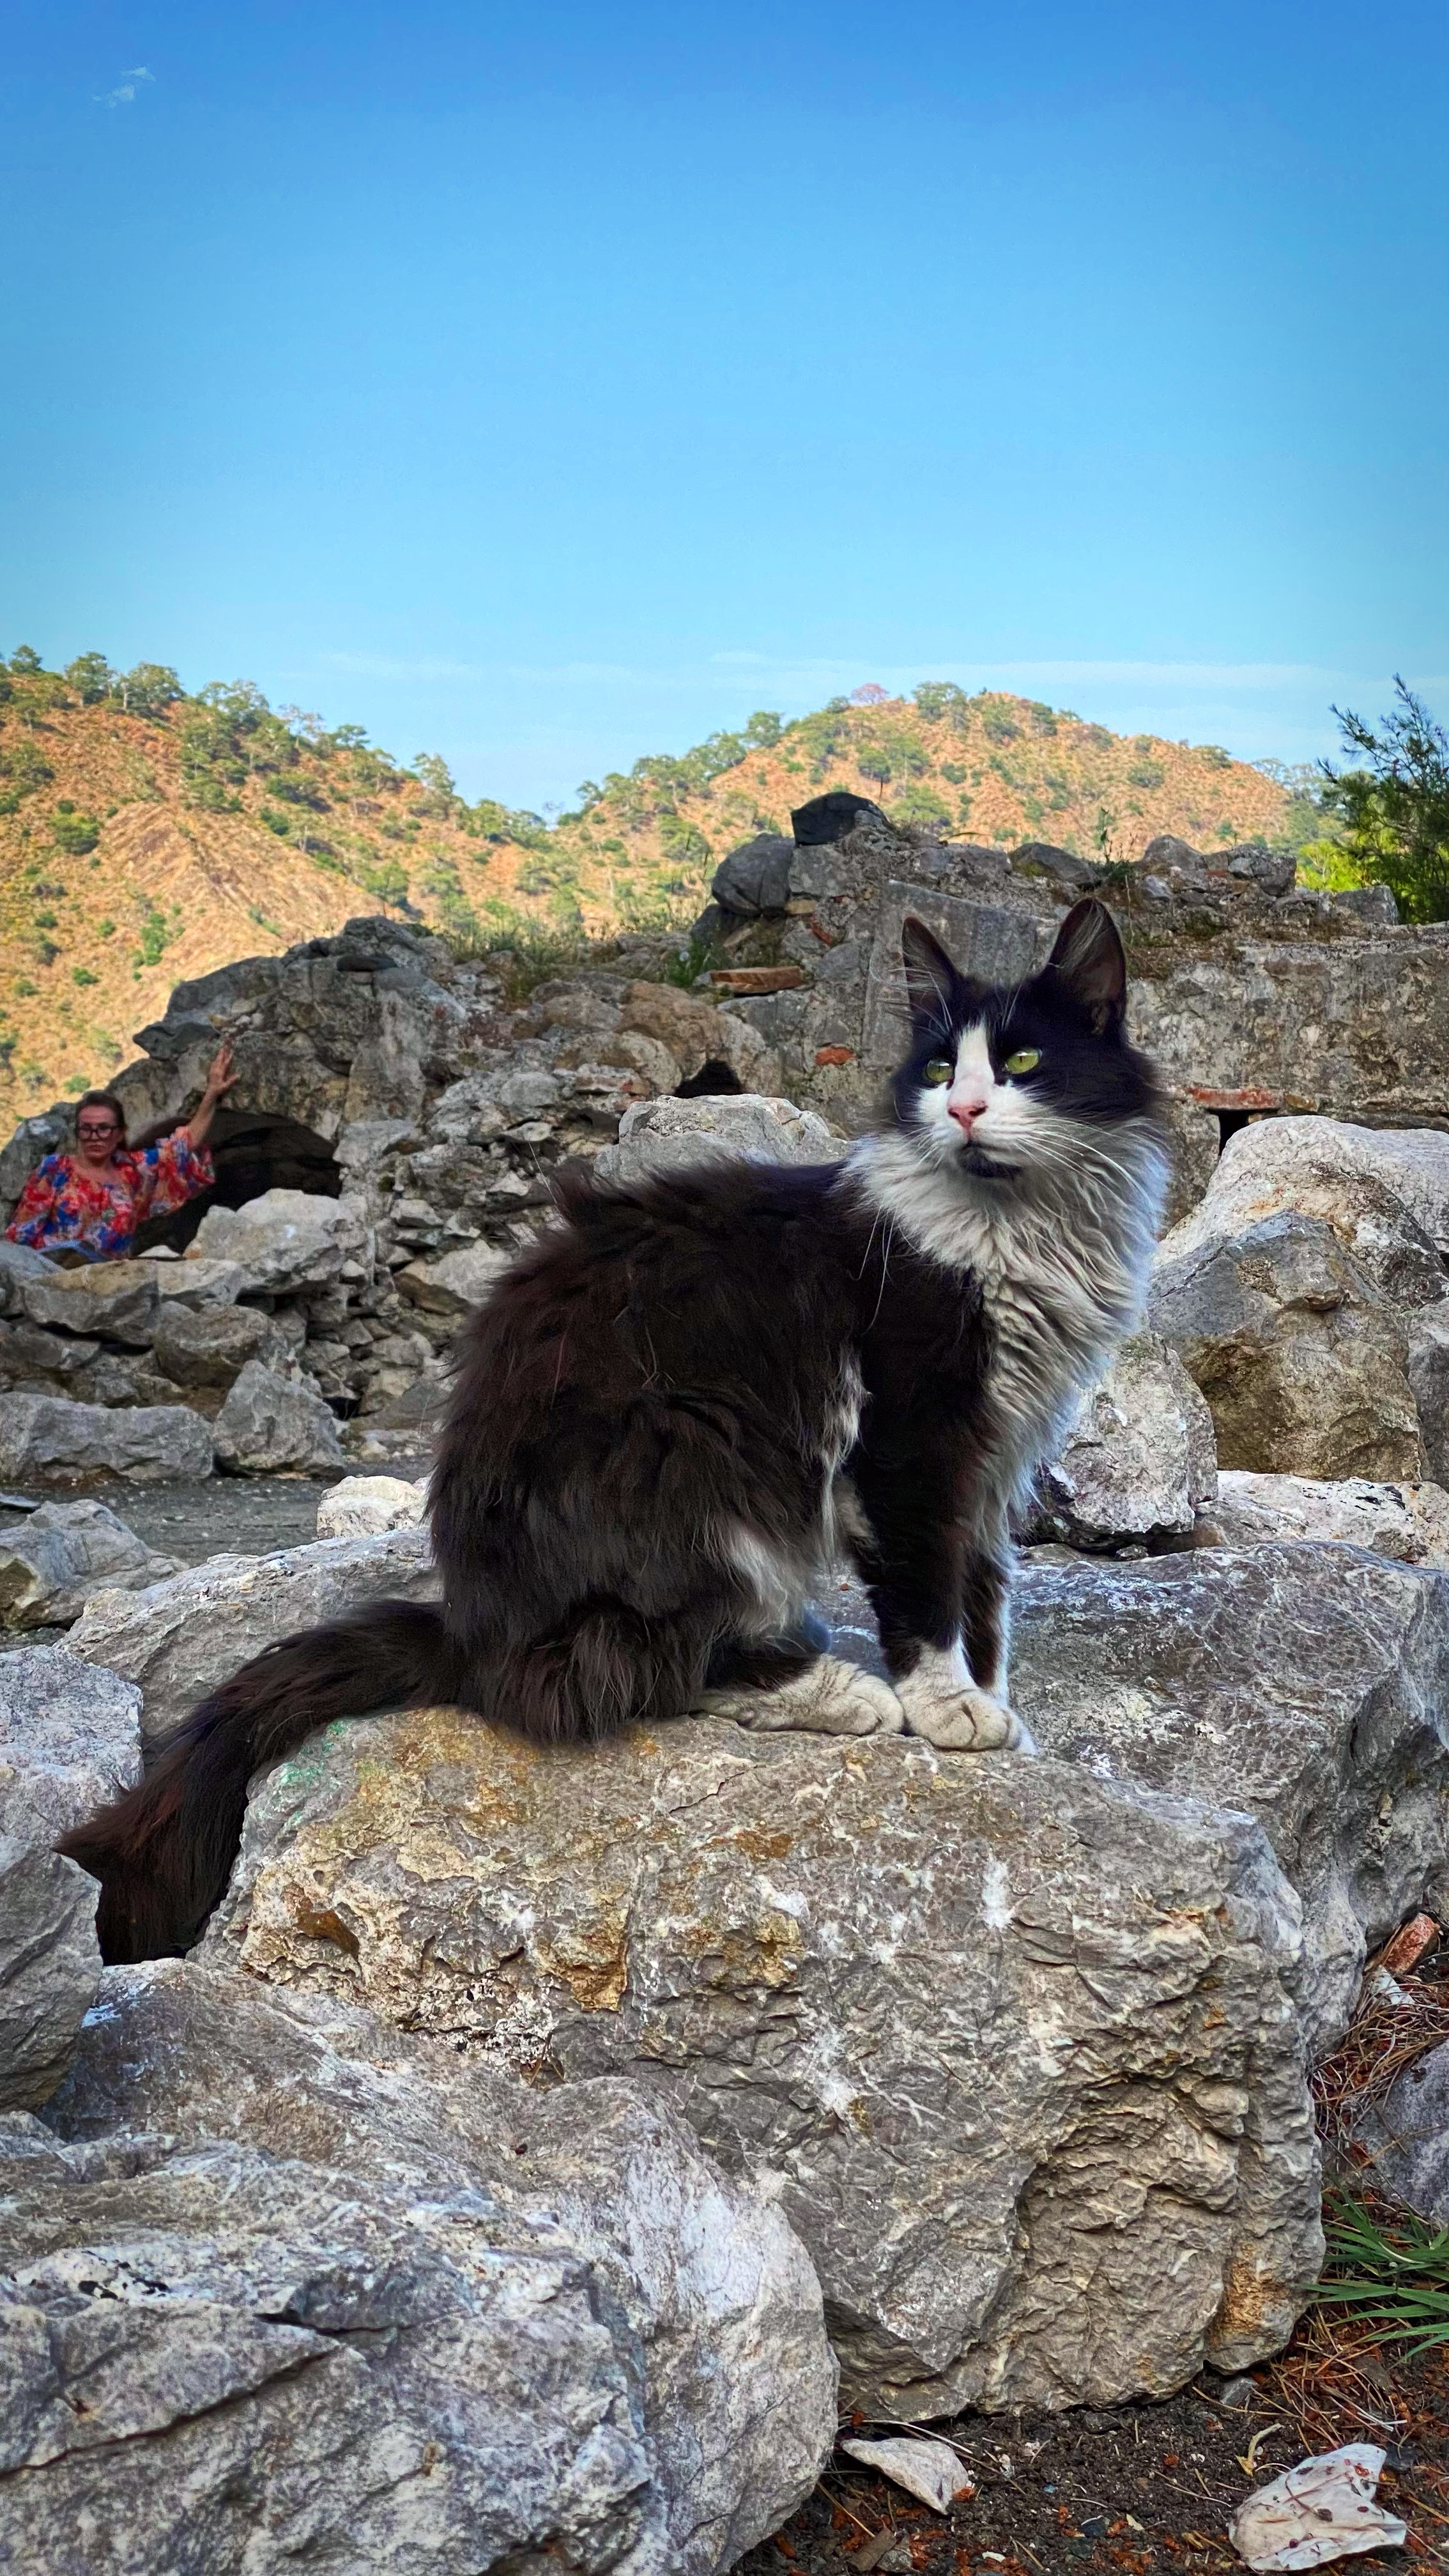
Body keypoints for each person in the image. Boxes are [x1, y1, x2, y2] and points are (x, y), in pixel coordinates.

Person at [4, 1041, 240, 1261]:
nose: (94, 1136)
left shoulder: (132, 1172)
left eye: (104, 1129)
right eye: (86, 1129)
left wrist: (211, 1093)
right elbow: (22, 1235)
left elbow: (183, 1146)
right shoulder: (55, 1170)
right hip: (54, 1282)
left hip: (113, 1286)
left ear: (119, 1133)